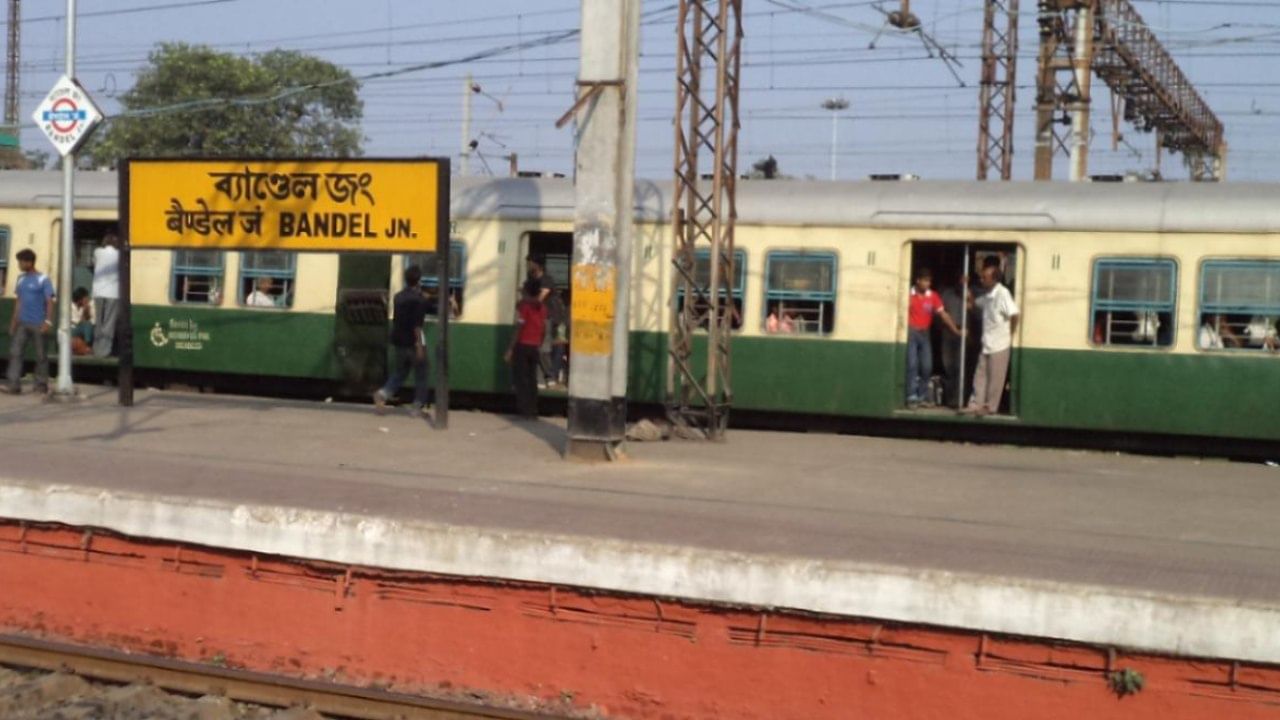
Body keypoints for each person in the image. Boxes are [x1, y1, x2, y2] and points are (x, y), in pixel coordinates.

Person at [964, 259, 1019, 416]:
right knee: (980, 375)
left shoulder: (1003, 294)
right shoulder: (988, 296)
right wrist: (969, 298)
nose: (981, 280)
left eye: (984, 278)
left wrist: (1010, 333)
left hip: (1000, 343)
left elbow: (1014, 314)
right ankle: (975, 404)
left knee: (995, 379)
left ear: (994, 279)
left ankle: (990, 407)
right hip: (987, 342)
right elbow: (977, 304)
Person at [373, 266, 430, 415]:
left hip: (399, 341)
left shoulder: (398, 297)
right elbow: (417, 326)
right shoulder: (420, 300)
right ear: (419, 281)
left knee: (400, 372)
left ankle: (383, 393)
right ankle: (417, 406)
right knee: (421, 374)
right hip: (414, 342)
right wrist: (419, 346)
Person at [905, 268, 962, 408]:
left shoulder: (933, 296)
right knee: (912, 365)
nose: (928, 284)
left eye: (929, 281)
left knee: (927, 366)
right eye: (925, 281)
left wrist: (955, 330)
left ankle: (923, 395)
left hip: (925, 333)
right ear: (917, 281)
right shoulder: (908, 295)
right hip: (911, 332)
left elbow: (943, 315)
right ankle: (912, 395)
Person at [4, 249, 55, 394]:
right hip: (22, 323)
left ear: (29, 262)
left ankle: (41, 385)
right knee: (15, 353)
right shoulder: (21, 279)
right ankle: (13, 385)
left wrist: (48, 321)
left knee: (40, 355)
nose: (19, 265)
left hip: (38, 323)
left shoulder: (43, 279)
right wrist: (13, 322)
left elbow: (49, 301)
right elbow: (19, 302)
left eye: (21, 262)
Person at [505, 279, 547, 418]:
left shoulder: (525, 307)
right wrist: (539, 343)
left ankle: (524, 411)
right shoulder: (543, 308)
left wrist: (510, 348)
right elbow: (544, 329)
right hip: (534, 346)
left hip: (522, 346)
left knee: (521, 379)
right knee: (532, 379)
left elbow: (519, 327)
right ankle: (533, 410)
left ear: (527, 291)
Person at [91, 233, 119, 358]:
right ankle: (105, 351)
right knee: (109, 322)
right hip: (113, 292)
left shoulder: (97, 252)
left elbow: (93, 263)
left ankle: (96, 350)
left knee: (98, 322)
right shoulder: (120, 255)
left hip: (98, 291)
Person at [70, 287, 94, 356]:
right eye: (85, 297)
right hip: (71, 330)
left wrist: (85, 309)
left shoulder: (86, 306)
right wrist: (80, 321)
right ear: (80, 298)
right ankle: (85, 349)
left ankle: (87, 346)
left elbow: (86, 321)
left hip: (79, 329)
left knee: (88, 323)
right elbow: (73, 322)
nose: (87, 299)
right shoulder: (70, 305)